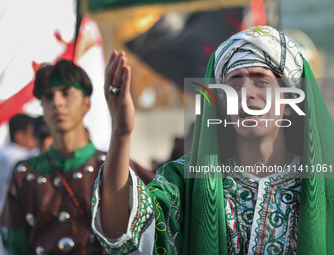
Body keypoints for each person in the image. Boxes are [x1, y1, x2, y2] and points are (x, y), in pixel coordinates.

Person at [91, 26, 334, 255]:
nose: (246, 94)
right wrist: (122, 133)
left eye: (261, 81)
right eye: (234, 85)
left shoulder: (324, 182)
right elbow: (122, 232)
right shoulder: (186, 181)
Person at [4, 60, 108, 255]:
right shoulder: (24, 174)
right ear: (42, 107)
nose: (57, 102)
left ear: (87, 103)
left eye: (66, 93)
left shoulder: (113, 167)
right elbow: (16, 247)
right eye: (48, 96)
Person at [0, 113, 37, 219]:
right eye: (33, 134)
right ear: (19, 136)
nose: (36, 139)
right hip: (13, 219)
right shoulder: (16, 158)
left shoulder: (3, 155)